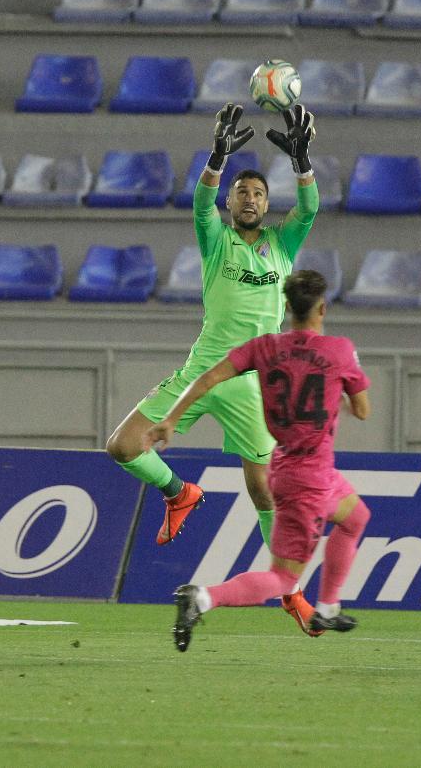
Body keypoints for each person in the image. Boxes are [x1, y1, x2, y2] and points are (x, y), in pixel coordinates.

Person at [105, 103, 320, 552]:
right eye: (241, 192)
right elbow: (202, 204)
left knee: (262, 490)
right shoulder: (216, 240)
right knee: (123, 446)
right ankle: (179, 492)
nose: (249, 199)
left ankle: (287, 586)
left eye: (258, 193)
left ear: (267, 203)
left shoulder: (282, 245)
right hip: (199, 373)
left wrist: (302, 165)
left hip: (253, 382)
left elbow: (310, 207)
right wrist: (217, 159)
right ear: (230, 200)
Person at [144, 270, 374, 651]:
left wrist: (170, 419)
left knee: (355, 518)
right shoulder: (339, 350)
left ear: (286, 307)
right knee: (283, 579)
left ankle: (329, 608)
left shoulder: (264, 347)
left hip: (288, 468)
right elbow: (363, 410)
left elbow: (205, 379)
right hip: (310, 479)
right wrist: (341, 393)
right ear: (322, 308)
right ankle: (202, 598)